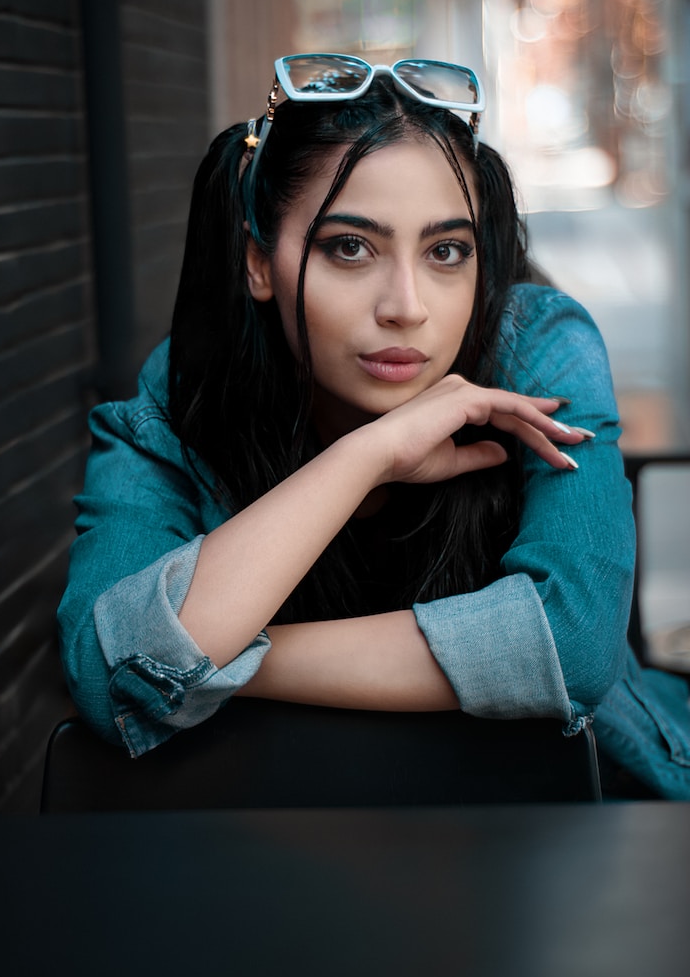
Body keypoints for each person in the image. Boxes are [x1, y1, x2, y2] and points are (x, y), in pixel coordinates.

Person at [57, 53, 690, 799]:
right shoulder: (185, 399)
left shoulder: (538, 351)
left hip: (572, 822)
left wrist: (228, 661)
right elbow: (108, 676)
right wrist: (369, 456)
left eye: (446, 251)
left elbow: (572, 646)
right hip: (270, 848)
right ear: (259, 261)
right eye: (349, 247)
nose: (407, 306)